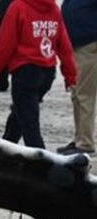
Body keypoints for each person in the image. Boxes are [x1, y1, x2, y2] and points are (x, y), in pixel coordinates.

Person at [0, 0, 78, 149]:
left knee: (29, 123)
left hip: (25, 71)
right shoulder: (53, 8)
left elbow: (5, 45)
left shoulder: (18, 7)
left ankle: (41, 164)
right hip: (47, 72)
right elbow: (64, 45)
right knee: (21, 112)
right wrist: (70, 75)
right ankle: (6, 145)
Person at [57, 0, 97, 155]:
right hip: (75, 46)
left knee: (84, 96)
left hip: (88, 46)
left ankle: (85, 143)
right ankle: (80, 139)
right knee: (77, 94)